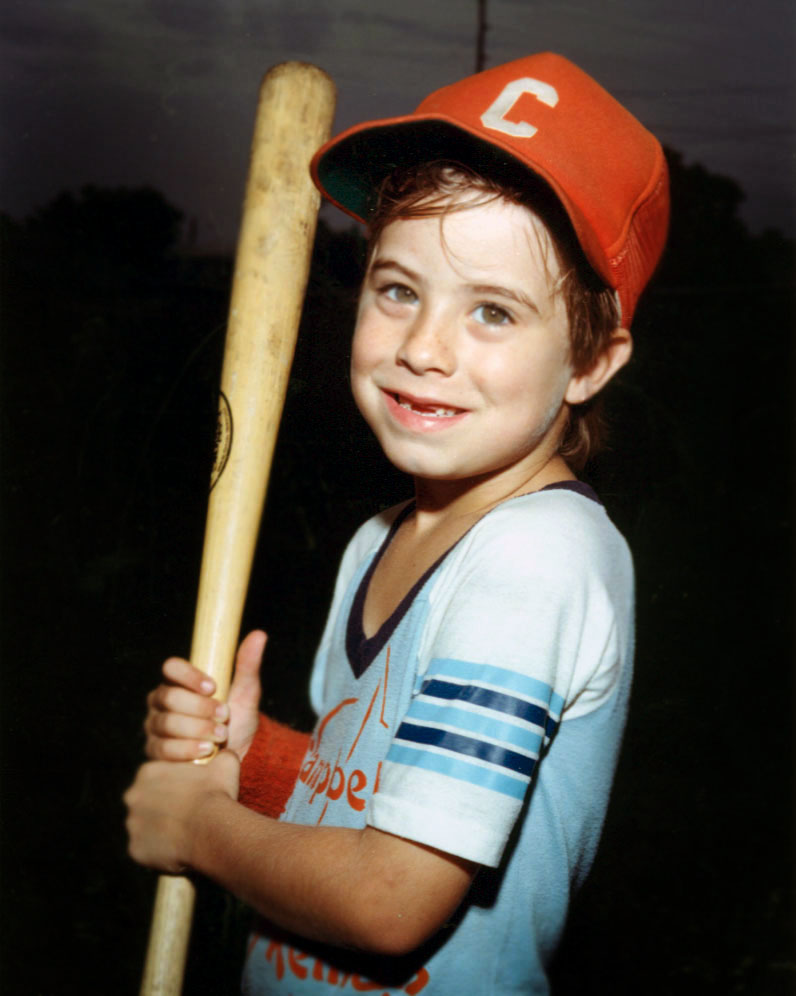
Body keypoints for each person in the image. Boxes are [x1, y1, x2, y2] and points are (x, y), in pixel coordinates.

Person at [125, 52, 669, 994]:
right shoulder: (381, 540)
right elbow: (369, 793)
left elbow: (392, 897)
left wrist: (200, 828)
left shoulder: (538, 557)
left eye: (493, 312)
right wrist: (248, 764)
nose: (423, 347)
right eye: (398, 289)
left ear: (591, 362)